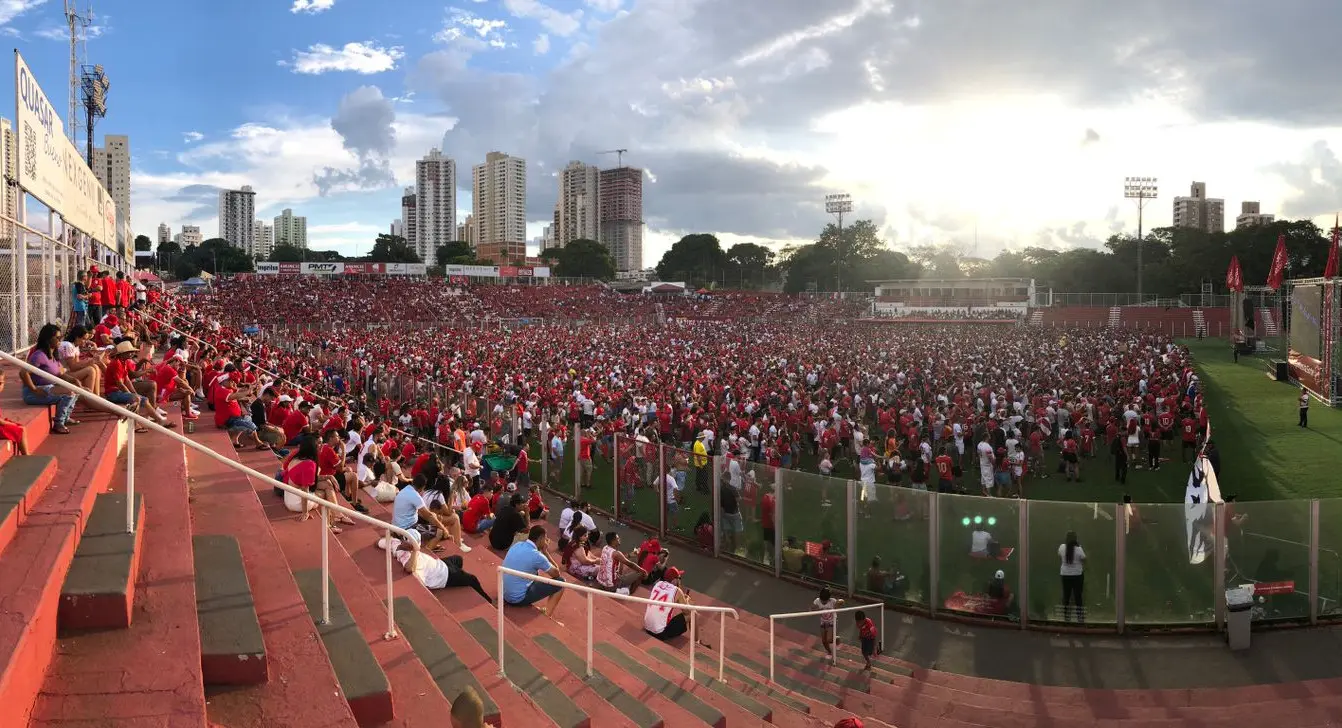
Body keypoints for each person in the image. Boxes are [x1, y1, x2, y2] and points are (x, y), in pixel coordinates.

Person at [392, 537, 491, 603]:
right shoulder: (409, 560)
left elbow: (380, 542)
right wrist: (415, 550)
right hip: (444, 575)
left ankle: (459, 576)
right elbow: (410, 569)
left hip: (439, 564)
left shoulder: (399, 547)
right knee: (473, 579)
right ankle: (488, 601)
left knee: (458, 559)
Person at [501, 525, 565, 622]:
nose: (547, 540)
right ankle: (547, 616)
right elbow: (557, 574)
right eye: (546, 538)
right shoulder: (537, 556)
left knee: (534, 572)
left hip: (504, 593)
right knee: (561, 582)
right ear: (540, 538)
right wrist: (546, 552)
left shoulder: (517, 544)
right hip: (516, 599)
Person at [643, 567, 711, 647]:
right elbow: (687, 612)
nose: (680, 580)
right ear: (674, 580)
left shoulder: (658, 584)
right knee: (693, 614)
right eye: (679, 578)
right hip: (659, 633)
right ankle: (697, 643)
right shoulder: (677, 590)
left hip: (647, 627)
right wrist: (687, 601)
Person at [1059, 530, 1086, 622]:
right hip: (1077, 575)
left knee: (1066, 596)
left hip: (1065, 575)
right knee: (1078, 597)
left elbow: (1059, 555)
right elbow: (1084, 558)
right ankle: (1080, 618)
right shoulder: (1079, 549)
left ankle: (1066, 618)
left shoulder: (1062, 547)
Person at [813, 586, 845, 657]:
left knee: (829, 639)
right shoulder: (817, 601)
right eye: (822, 601)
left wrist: (840, 602)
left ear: (829, 599)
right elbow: (811, 609)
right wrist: (815, 609)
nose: (823, 602)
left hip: (832, 621)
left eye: (825, 601)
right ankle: (829, 652)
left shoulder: (832, 601)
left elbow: (842, 602)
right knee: (824, 641)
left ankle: (837, 639)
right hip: (823, 622)